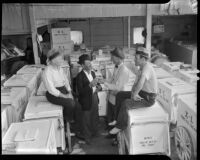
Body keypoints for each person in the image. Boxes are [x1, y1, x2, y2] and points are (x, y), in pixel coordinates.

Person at [109, 47, 158, 135]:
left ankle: (120, 126)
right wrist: (132, 92)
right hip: (142, 93)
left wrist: (135, 94)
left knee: (126, 103)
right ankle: (116, 119)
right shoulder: (140, 68)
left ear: (143, 59)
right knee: (120, 95)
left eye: (136, 58)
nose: (134, 59)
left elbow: (142, 81)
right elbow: (136, 82)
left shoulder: (147, 67)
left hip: (148, 98)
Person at [99, 47, 135, 131]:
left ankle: (115, 137)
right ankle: (109, 128)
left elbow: (118, 87)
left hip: (117, 96)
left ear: (118, 58)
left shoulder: (124, 70)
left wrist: (104, 84)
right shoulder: (116, 67)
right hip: (112, 95)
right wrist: (103, 80)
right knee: (110, 114)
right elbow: (112, 79)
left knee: (116, 116)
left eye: (113, 57)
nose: (111, 58)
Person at [42, 49, 76, 128]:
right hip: (53, 94)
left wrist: (69, 92)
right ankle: (66, 120)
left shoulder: (59, 68)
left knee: (77, 99)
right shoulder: (47, 71)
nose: (62, 60)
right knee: (71, 103)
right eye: (60, 58)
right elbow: (52, 90)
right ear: (53, 60)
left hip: (63, 89)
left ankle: (73, 120)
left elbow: (66, 81)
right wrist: (66, 96)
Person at [76, 54, 102, 144]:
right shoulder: (79, 77)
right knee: (86, 119)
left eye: (90, 63)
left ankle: (94, 132)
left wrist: (99, 87)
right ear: (82, 66)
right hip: (85, 100)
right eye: (87, 64)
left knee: (95, 116)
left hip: (94, 97)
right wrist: (90, 85)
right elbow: (80, 92)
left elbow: (97, 84)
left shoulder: (93, 73)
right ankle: (87, 137)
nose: (90, 65)